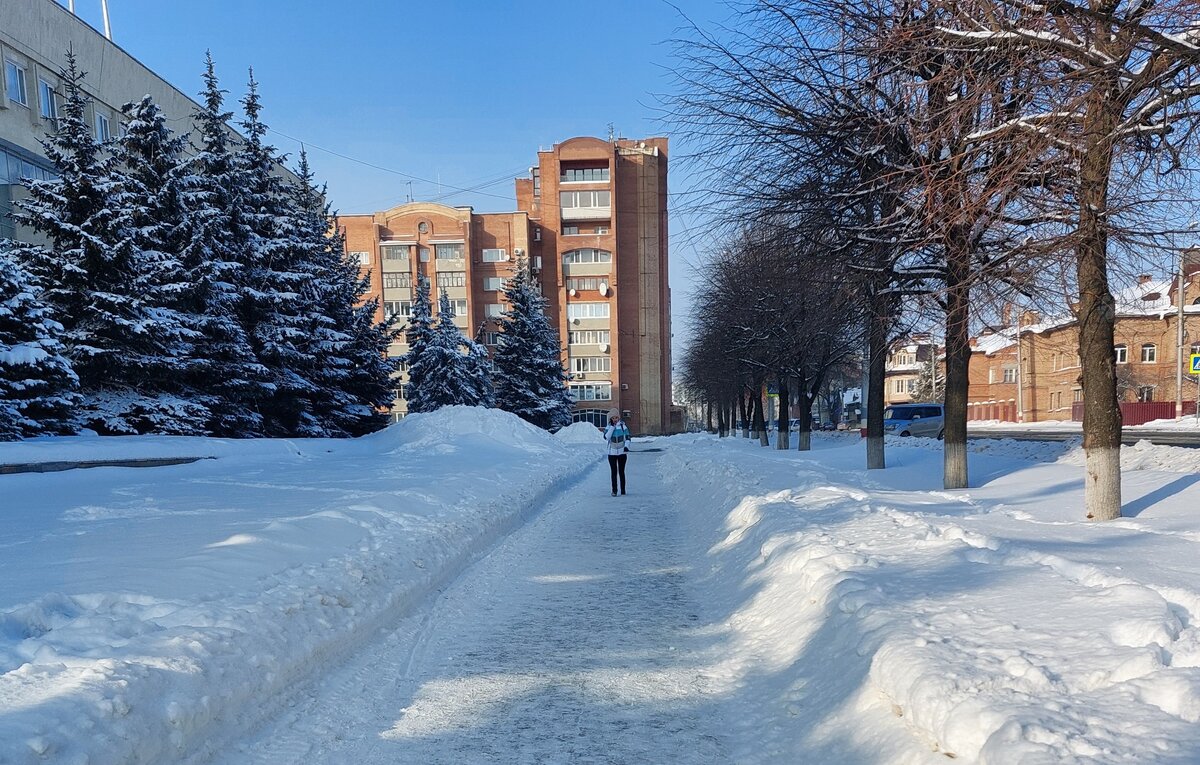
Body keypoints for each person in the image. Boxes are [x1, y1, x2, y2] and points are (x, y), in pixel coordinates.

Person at [603, 408, 630, 496]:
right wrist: (612, 427)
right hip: (612, 453)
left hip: (622, 452)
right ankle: (614, 490)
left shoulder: (623, 426)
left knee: (621, 472)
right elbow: (606, 437)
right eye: (613, 418)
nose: (615, 419)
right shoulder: (608, 427)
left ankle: (623, 490)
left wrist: (626, 447)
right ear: (610, 419)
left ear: (619, 418)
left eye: (616, 417)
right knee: (613, 472)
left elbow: (628, 438)